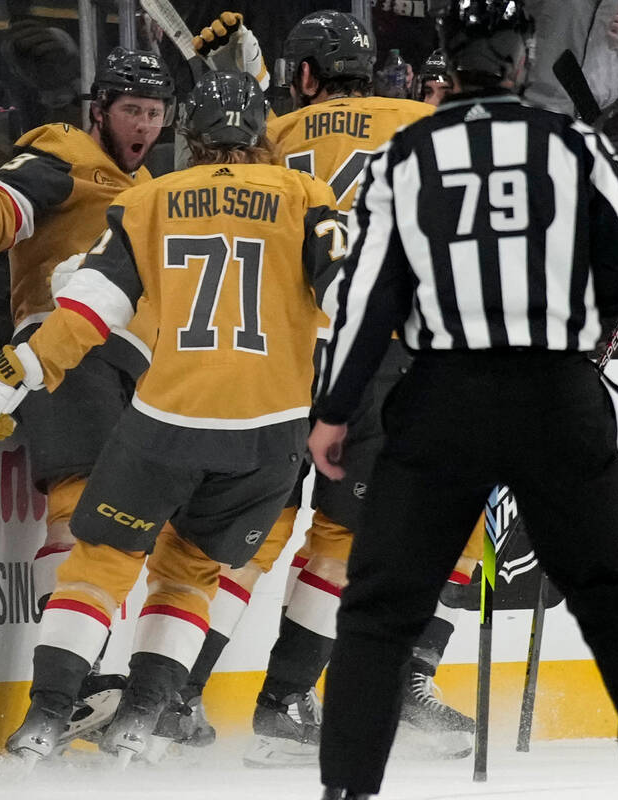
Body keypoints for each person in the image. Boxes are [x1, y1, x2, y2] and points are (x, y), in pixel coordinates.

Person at [312, 2, 618, 799]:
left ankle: (346, 789)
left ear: (448, 61)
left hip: (443, 400)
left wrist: (334, 408)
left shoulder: (406, 155)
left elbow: (365, 297)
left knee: (380, 612)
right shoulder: (573, 144)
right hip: (558, 396)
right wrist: (578, 323)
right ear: (522, 59)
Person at [0, 70, 344, 763]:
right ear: (261, 136)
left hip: (168, 423)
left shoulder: (154, 198)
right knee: (191, 574)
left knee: (100, 564)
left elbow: (87, 310)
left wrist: (13, 378)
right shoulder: (306, 195)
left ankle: (47, 719)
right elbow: (354, 295)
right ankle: (142, 721)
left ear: (189, 135)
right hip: (270, 436)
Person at [168, 10, 484, 767]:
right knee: (348, 535)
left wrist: (237, 85)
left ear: (303, 75)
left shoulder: (273, 129)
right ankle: (285, 701)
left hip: (272, 352)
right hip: (378, 356)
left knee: (253, 529)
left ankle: (170, 693)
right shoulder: (424, 121)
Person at [0, 47, 175, 751]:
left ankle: (85, 684)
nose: (144, 125)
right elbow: (11, 205)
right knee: (83, 513)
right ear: (100, 110)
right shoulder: (64, 150)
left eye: (154, 113)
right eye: (132, 111)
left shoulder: (152, 184)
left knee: (117, 526)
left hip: (133, 371)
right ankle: (67, 694)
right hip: (66, 351)